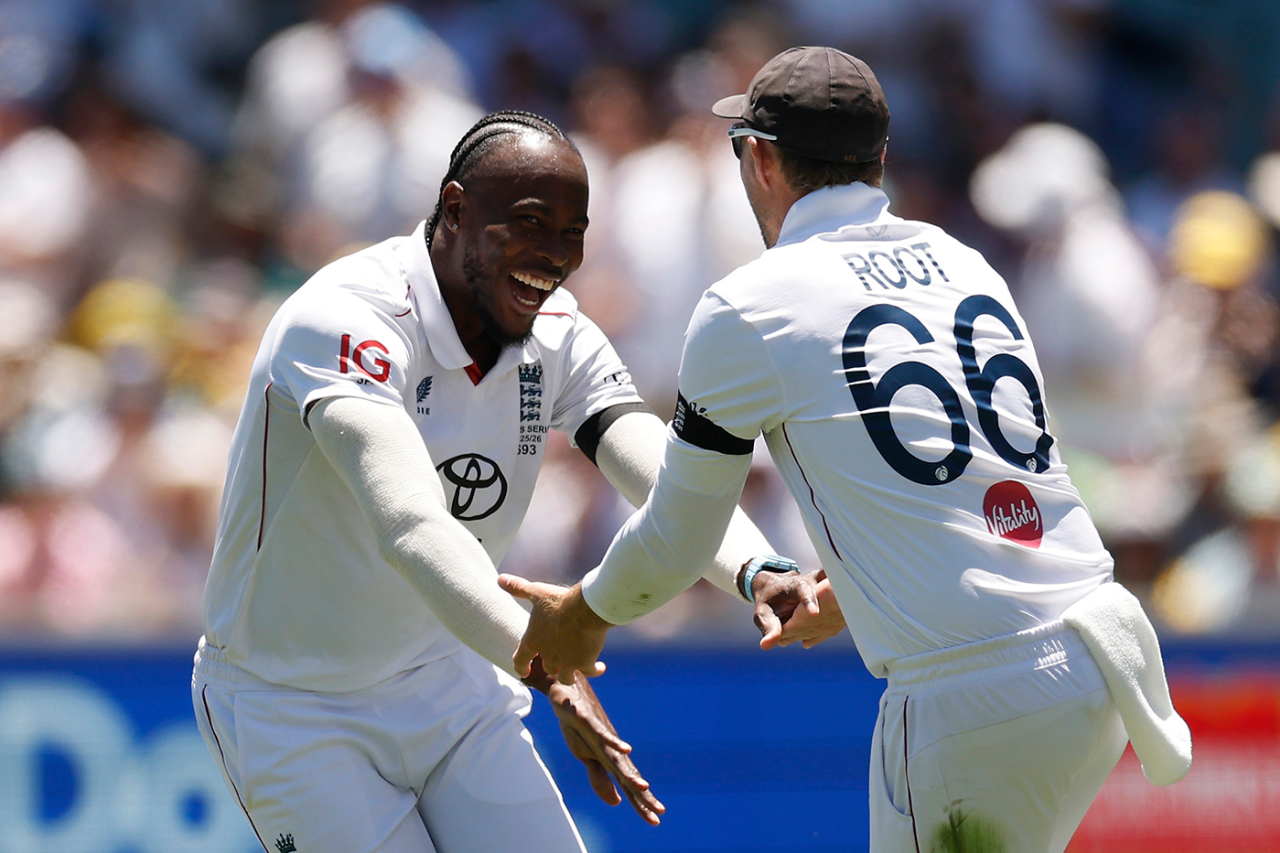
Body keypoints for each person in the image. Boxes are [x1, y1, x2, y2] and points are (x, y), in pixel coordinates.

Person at [500, 49, 1193, 853]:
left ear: (759, 159)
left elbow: (680, 535)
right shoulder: (964, 262)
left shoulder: (749, 305)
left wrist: (583, 612)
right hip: (1096, 649)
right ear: (880, 158)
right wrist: (863, 586)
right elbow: (984, 478)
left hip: (975, 689)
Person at [191, 110, 787, 853]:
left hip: (453, 678)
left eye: (573, 231)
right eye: (530, 222)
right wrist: (548, 667)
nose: (554, 255)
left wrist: (760, 569)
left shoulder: (558, 328)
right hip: (292, 704)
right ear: (455, 208)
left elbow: (659, 466)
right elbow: (411, 526)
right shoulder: (343, 317)